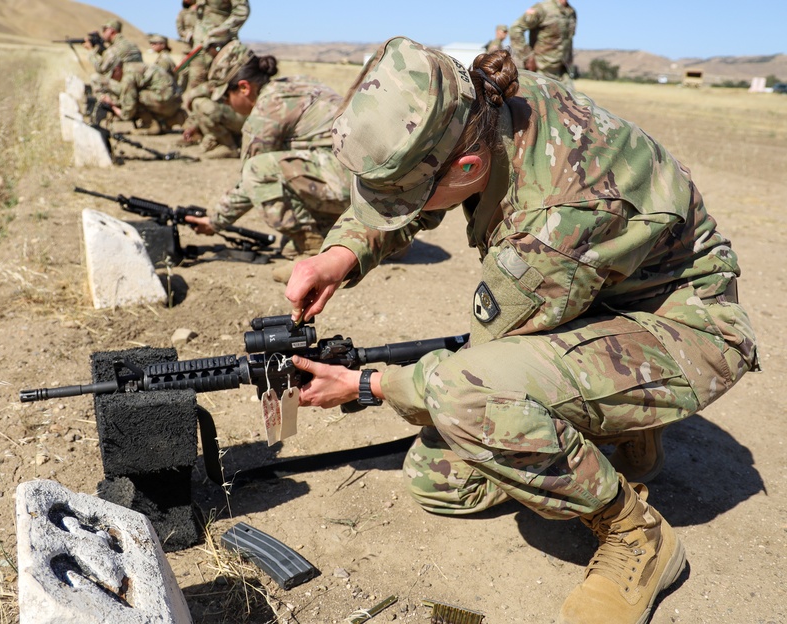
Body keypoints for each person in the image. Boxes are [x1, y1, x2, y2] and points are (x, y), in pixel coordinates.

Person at [282, 37, 759, 624]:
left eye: (404, 201)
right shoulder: (489, 101)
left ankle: (635, 535)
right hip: (613, 296)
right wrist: (341, 254)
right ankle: (616, 431)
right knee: (440, 481)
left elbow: (477, 375)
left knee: (467, 399)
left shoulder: (550, 224)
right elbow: (421, 183)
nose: (400, 211)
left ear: (468, 168)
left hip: (687, 329)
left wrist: (367, 386)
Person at [183, 41, 351, 281]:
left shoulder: (267, 109)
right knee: (287, 242)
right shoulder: (297, 83)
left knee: (258, 169)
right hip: (368, 182)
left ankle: (311, 250)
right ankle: (372, 233)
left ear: (244, 88)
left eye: (225, 98)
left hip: (345, 180)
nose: (226, 105)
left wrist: (215, 222)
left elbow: (250, 180)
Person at [97, 50, 184, 136]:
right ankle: (171, 119)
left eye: (112, 75)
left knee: (138, 97)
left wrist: (112, 106)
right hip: (173, 98)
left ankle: (150, 125)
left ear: (117, 69)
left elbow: (128, 111)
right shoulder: (130, 67)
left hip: (167, 100)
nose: (113, 79)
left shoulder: (128, 78)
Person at [185, 0, 250, 93]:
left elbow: (242, 12)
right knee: (196, 88)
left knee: (220, 87)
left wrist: (221, 30)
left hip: (219, 45)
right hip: (199, 46)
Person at [509, 0, 576, 88]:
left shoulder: (571, 12)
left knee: (573, 100)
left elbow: (568, 39)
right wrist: (527, 57)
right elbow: (515, 29)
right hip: (541, 71)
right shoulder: (542, 8)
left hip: (562, 72)